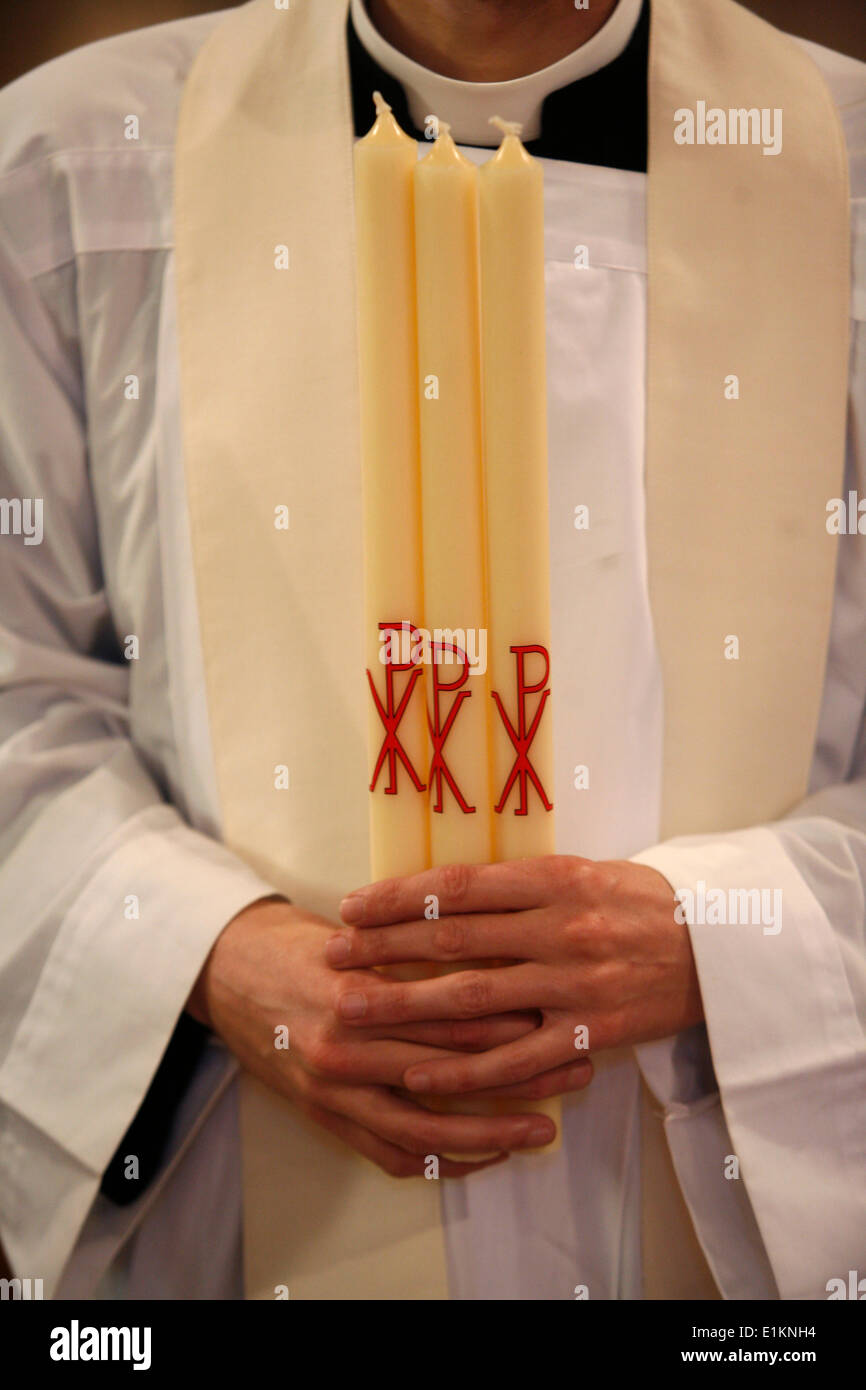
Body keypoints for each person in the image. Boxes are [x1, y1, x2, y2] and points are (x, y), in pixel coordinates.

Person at [0, 0, 864, 1301]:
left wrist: (722, 937)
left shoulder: (839, 163)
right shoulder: (73, 164)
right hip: (239, 1193)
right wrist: (207, 949)